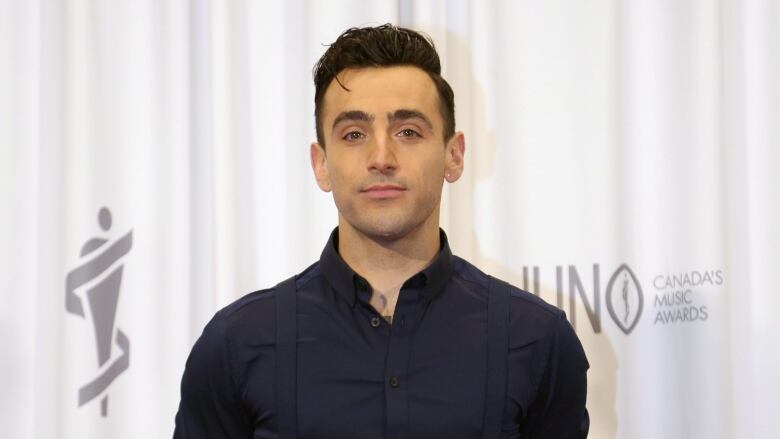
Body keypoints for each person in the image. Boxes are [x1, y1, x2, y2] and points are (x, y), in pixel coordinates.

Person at [173, 24, 589, 438]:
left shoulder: (538, 340)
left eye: (408, 131)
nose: (381, 157)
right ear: (321, 164)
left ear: (454, 155)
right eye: (354, 134)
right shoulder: (237, 344)